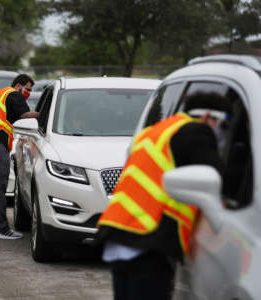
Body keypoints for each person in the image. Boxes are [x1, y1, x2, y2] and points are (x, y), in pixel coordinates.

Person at [95, 92, 232, 300]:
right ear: (208, 117)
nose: (222, 134)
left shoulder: (155, 130)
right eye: (225, 126)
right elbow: (220, 177)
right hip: (147, 240)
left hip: (120, 234)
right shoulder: (197, 131)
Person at [0, 74, 39, 240]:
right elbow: (25, 116)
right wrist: (42, 114)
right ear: (18, 85)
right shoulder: (14, 94)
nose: (28, 93)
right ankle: (0, 228)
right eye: (27, 89)